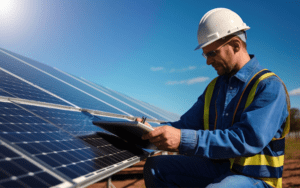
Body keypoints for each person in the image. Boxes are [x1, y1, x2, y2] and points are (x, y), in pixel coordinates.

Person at [137, 8, 290, 188]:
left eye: (212, 53)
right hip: (219, 169)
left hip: (257, 179)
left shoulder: (268, 86)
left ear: (235, 45)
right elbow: (185, 125)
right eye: (205, 54)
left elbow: (247, 140)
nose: (208, 61)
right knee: (156, 167)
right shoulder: (214, 88)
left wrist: (183, 139)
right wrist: (149, 131)